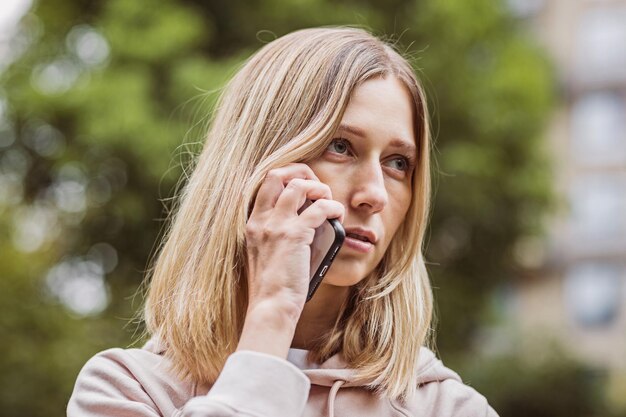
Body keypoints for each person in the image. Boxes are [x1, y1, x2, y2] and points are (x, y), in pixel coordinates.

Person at [67, 26, 499, 417]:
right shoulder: (126, 390)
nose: (374, 195)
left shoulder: (447, 408)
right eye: (341, 147)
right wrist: (273, 313)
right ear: (255, 165)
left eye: (398, 162)